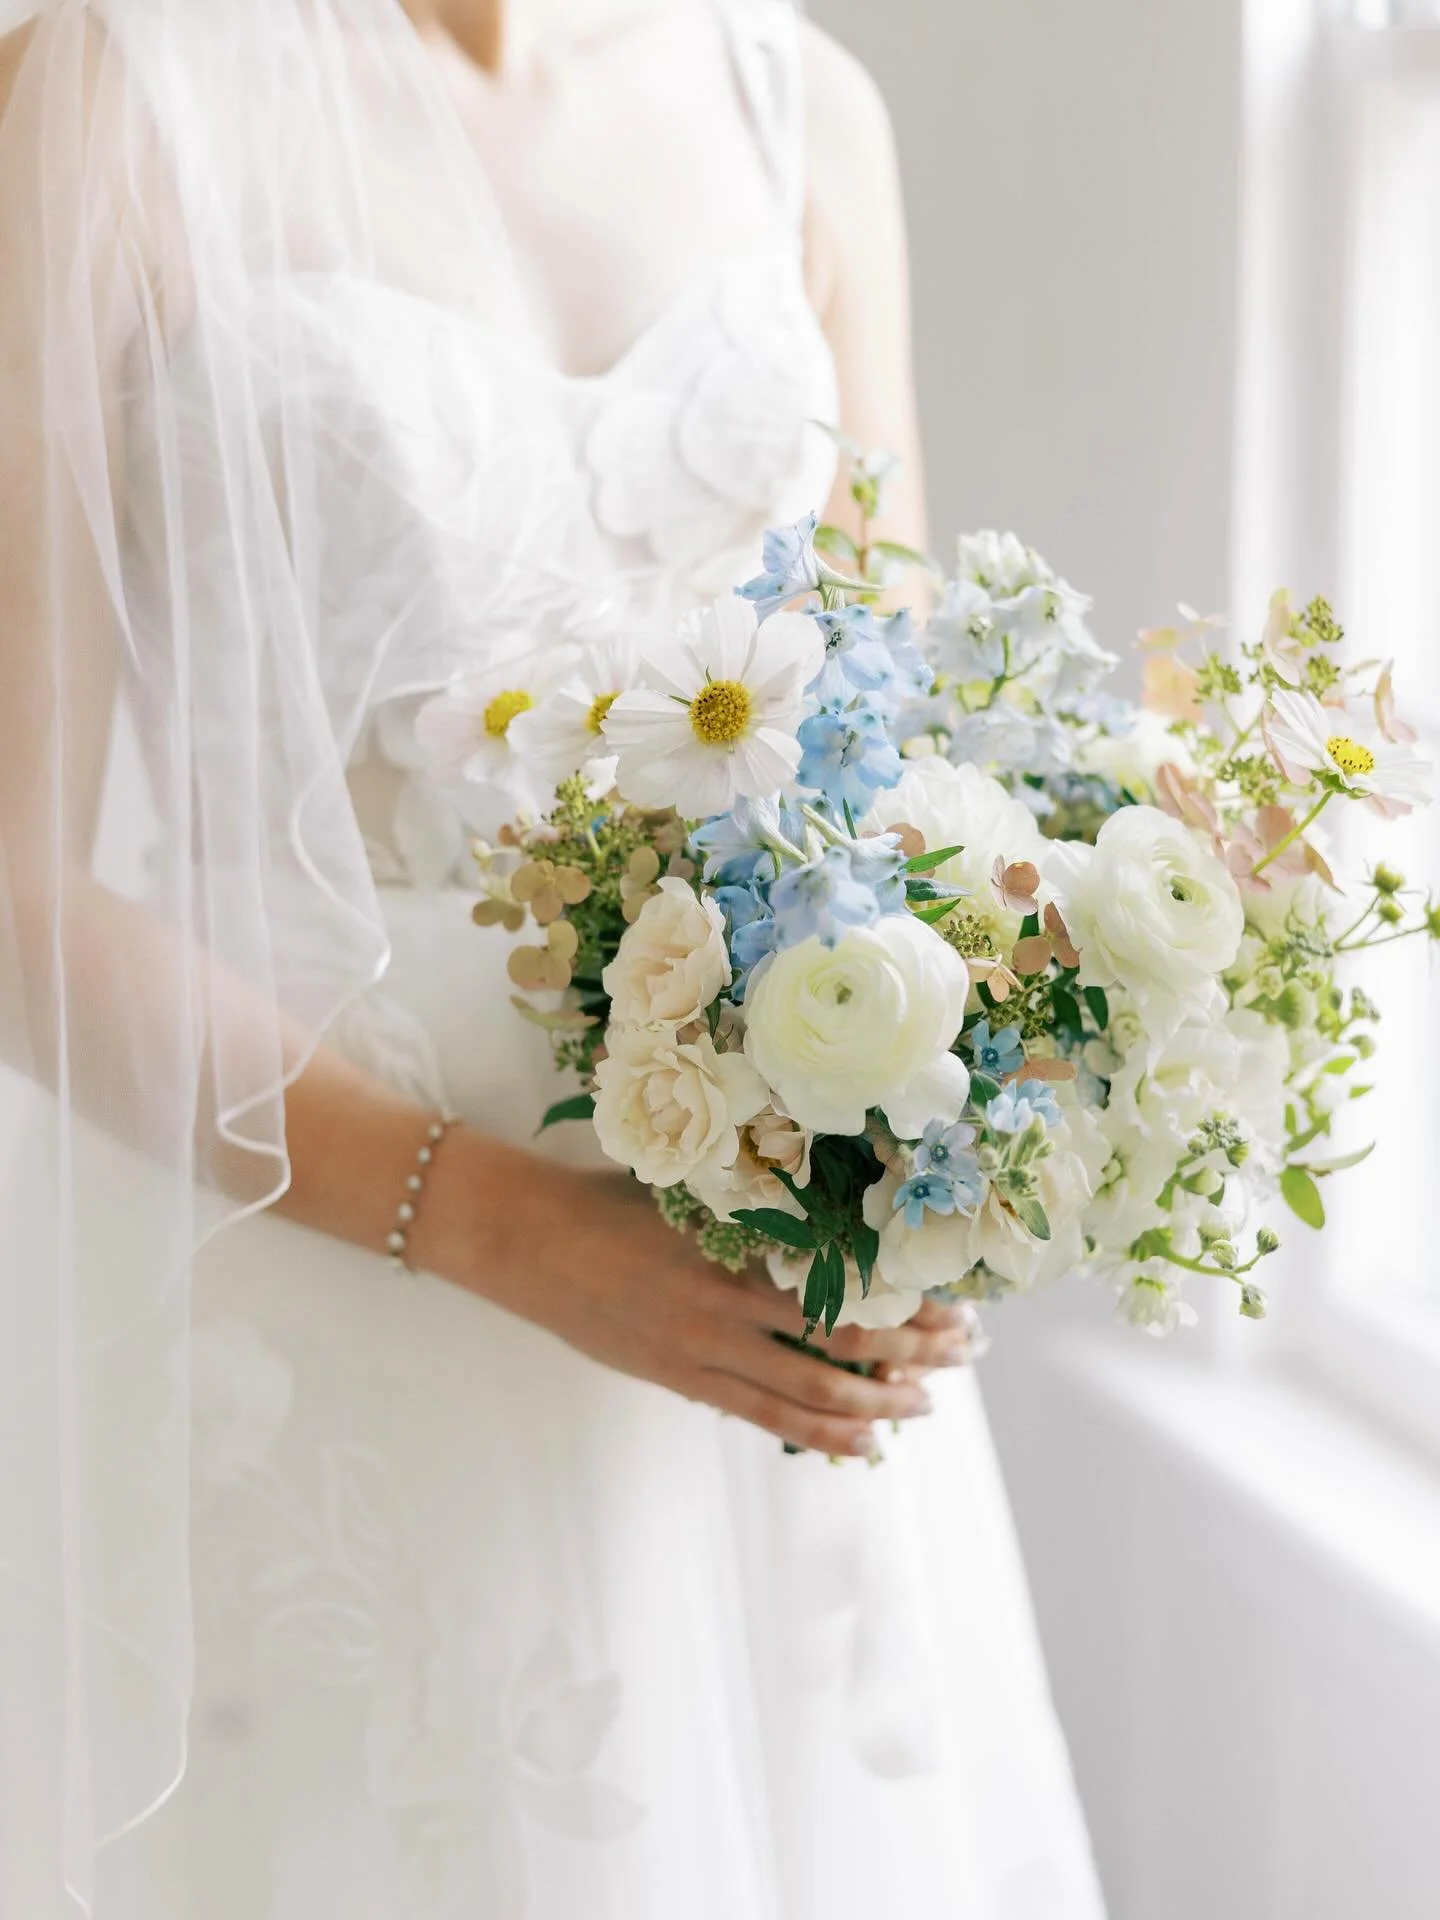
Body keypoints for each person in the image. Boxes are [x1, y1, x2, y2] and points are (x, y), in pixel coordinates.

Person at [0, 1, 1107, 1913]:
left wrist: (960, 1168)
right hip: (324, 1258)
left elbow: (926, 773)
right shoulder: (112, 87)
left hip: (763, 1300)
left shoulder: (800, 111)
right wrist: (507, 1228)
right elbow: (15, 892)